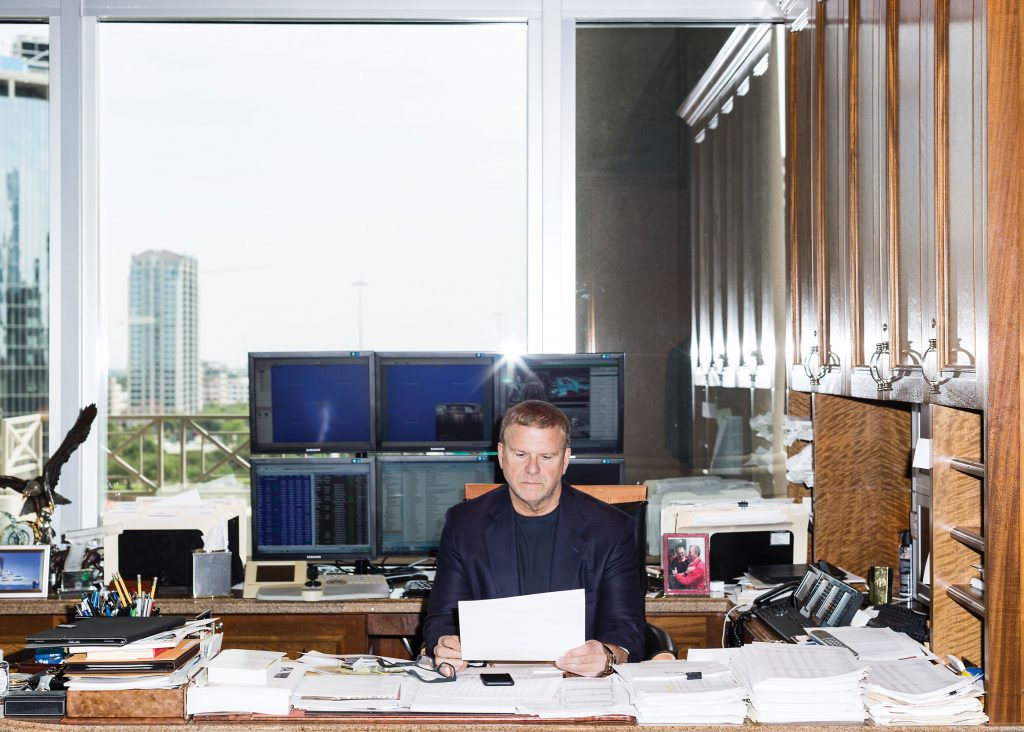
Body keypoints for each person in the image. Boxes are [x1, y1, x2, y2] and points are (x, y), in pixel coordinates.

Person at [423, 400, 645, 677]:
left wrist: (608, 656)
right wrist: (445, 643)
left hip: (577, 687)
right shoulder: (464, 524)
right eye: (520, 455)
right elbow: (442, 617)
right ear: (502, 456)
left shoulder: (612, 529)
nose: (532, 469)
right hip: (492, 686)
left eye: (546, 457)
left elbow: (628, 628)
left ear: (564, 460)